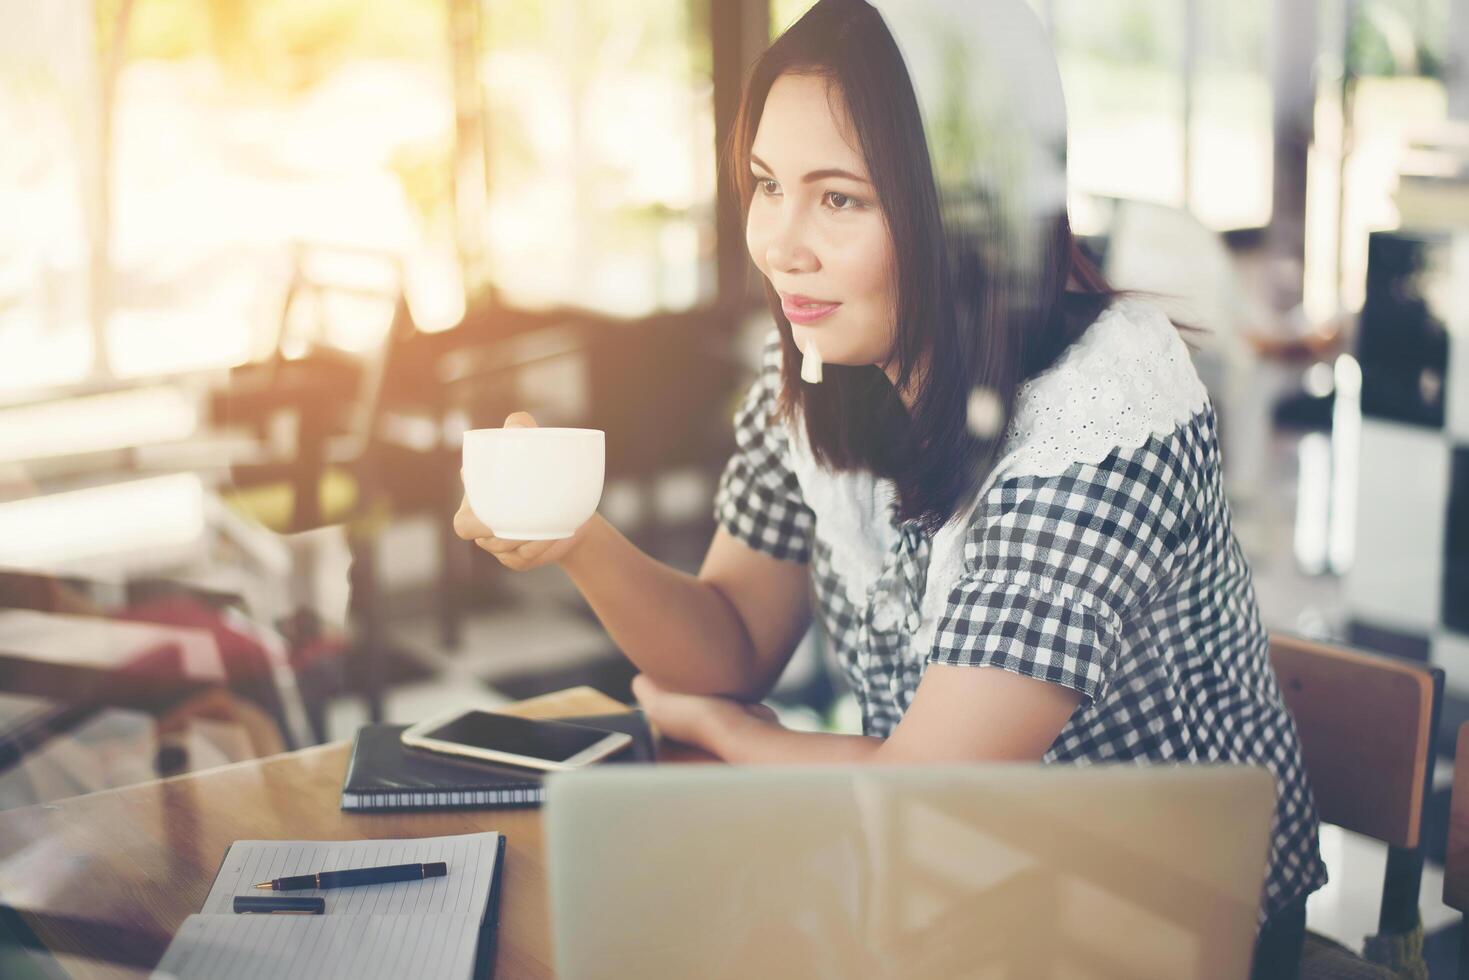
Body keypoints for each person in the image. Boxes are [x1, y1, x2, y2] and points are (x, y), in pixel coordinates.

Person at [454, 0, 1325, 973]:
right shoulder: (833, 363)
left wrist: (723, 733)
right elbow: (729, 644)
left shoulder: (1099, 421)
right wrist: (578, 536)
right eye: (766, 183)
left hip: (1164, 921)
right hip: (966, 877)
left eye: (837, 199)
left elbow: (924, 783)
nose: (780, 242)